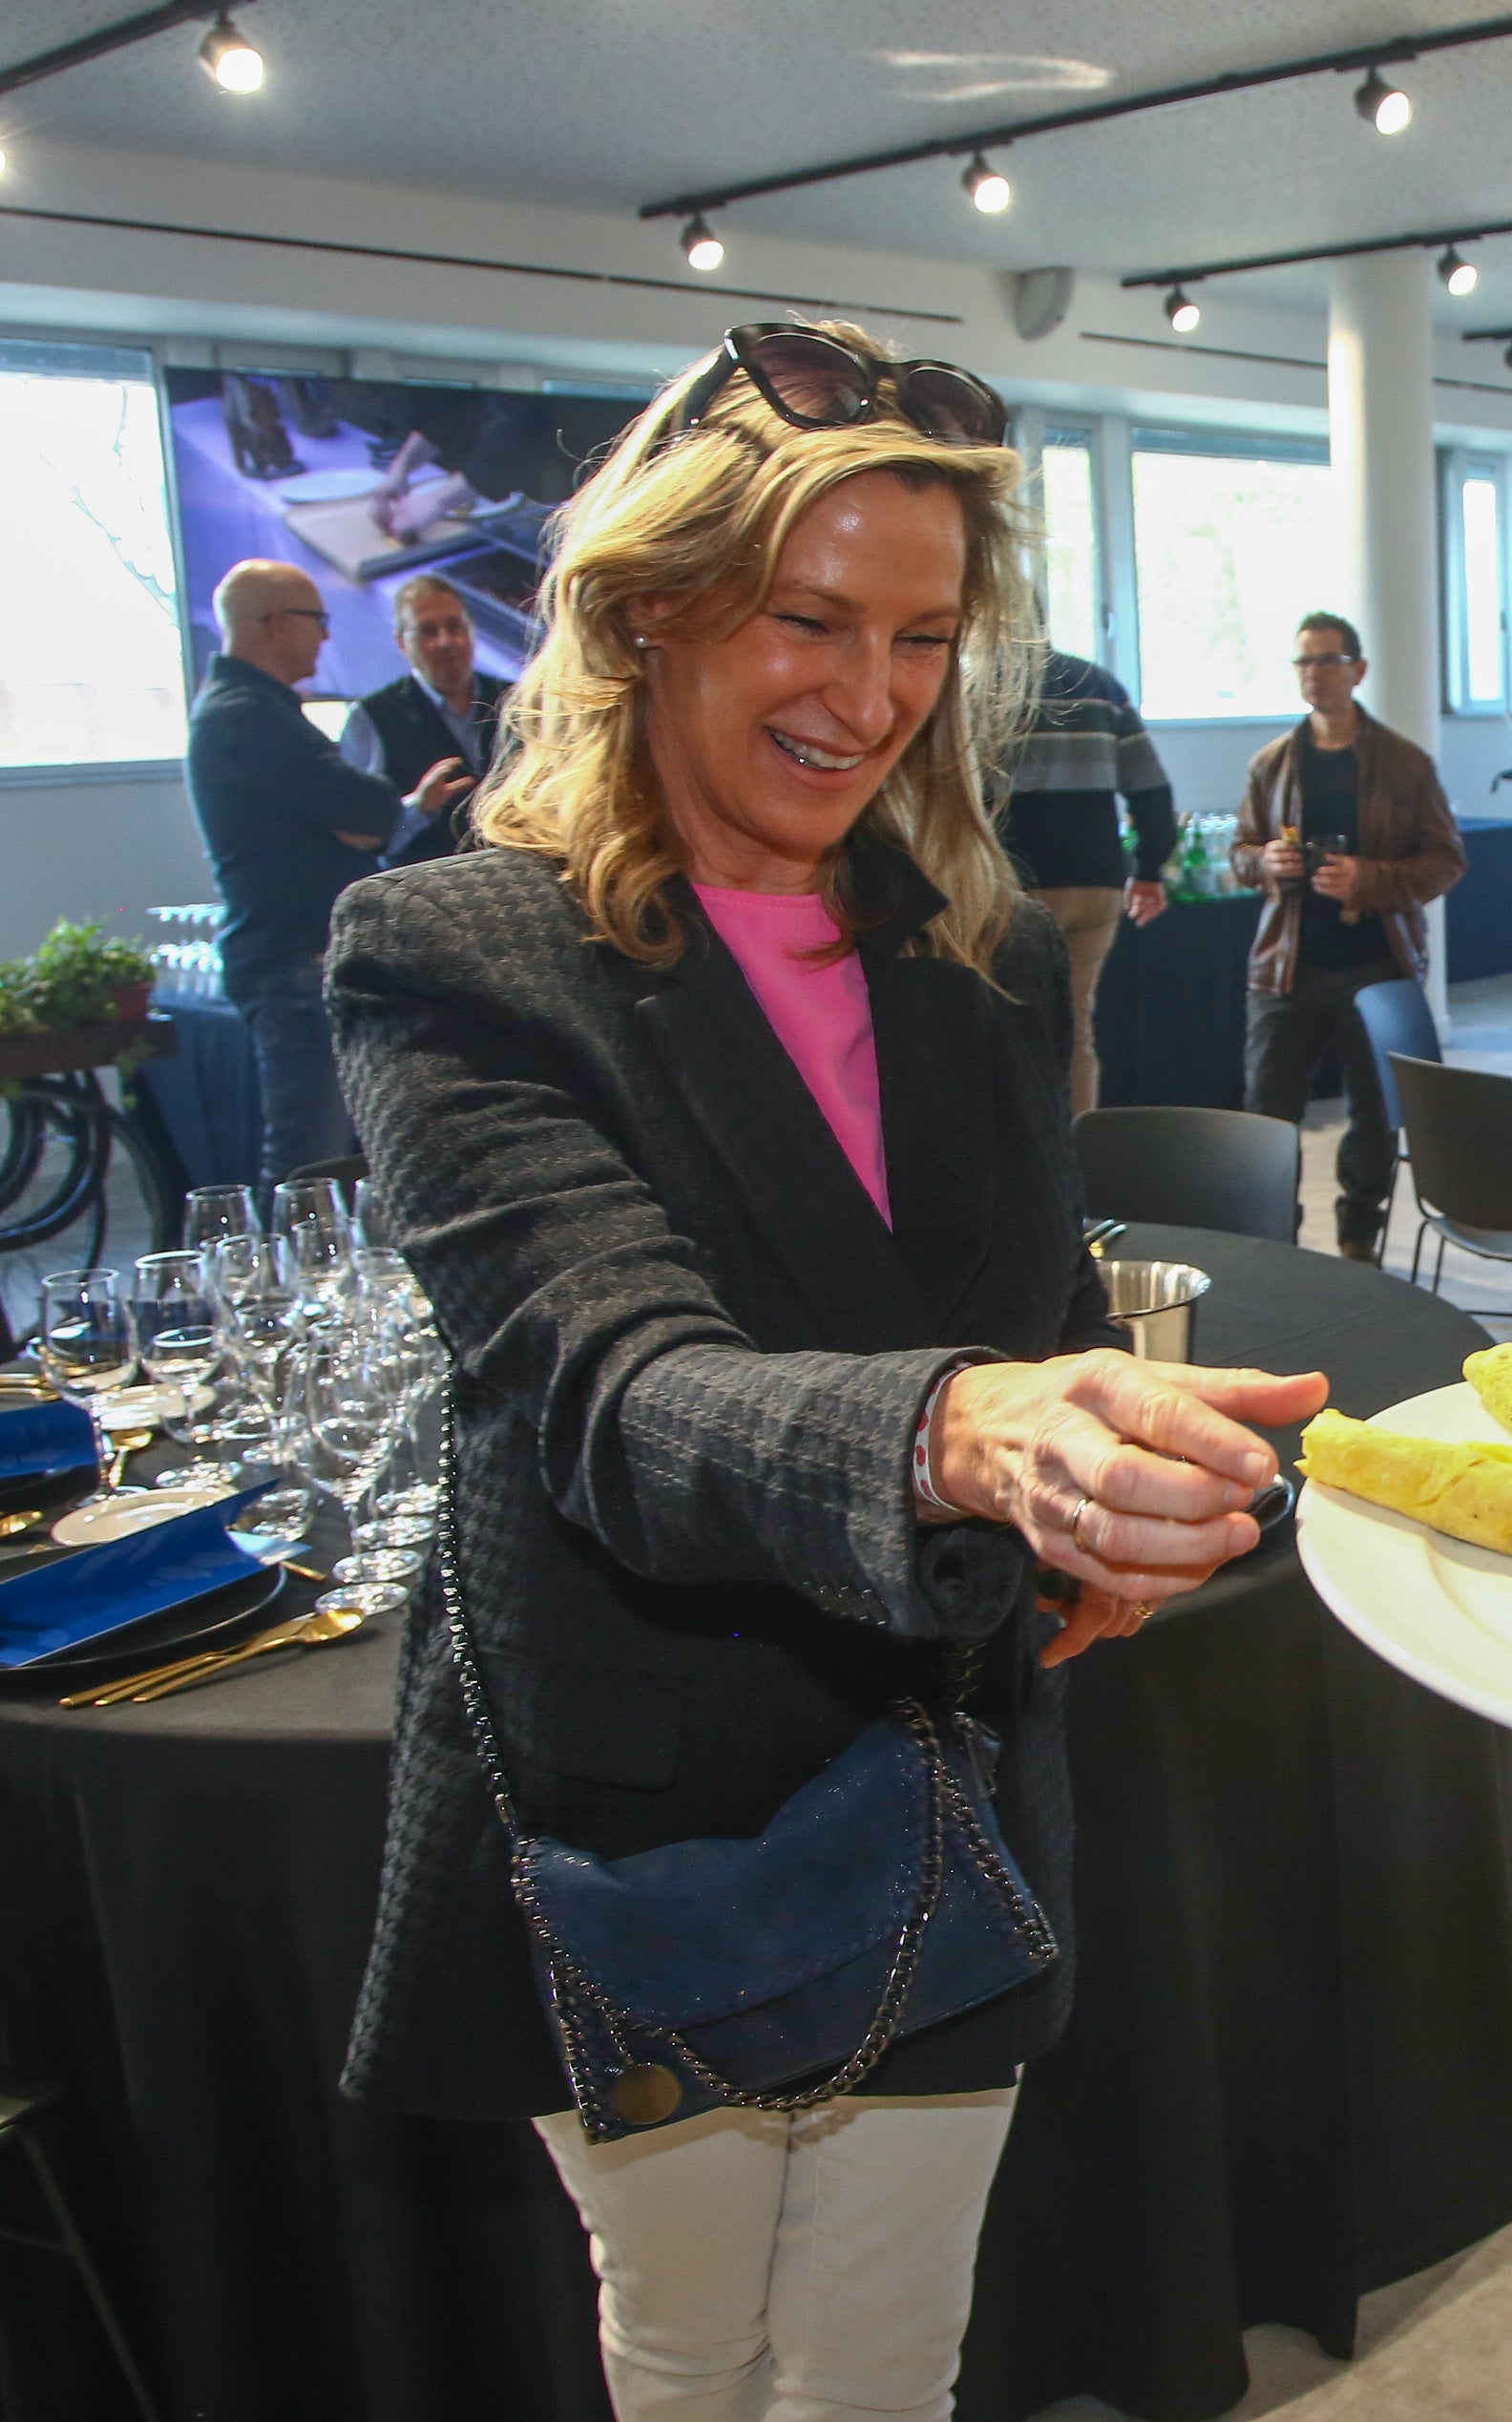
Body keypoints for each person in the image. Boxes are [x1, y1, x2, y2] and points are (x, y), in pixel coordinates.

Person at [326, 319, 1327, 2420]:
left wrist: (1122, 1496)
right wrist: (970, 1429)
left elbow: (1044, 1309)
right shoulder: (455, 951)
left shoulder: (956, 969)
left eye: (917, 638)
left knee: (884, 2351)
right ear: (651, 605)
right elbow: (610, 1382)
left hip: (947, 1761)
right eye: (806, 617)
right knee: (693, 2343)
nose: (866, 695)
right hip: (646, 1786)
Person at [186, 558, 467, 1182]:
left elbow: (365, 816)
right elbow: (368, 810)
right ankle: (296, 1276)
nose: (326, 635)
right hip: (292, 961)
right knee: (310, 1160)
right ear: (273, 623)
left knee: (331, 1149)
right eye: (317, 619)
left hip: (291, 957)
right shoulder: (249, 716)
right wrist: (380, 814)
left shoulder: (248, 709)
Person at [1231, 612, 1466, 1257]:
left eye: (1327, 661)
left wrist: (1368, 878)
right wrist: (1263, 863)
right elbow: (1240, 850)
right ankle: (1271, 1247)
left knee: (1372, 1115)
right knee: (1266, 1114)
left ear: (1357, 670)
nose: (1314, 674)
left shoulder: (1404, 763)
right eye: (1303, 661)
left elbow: (1445, 860)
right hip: (1287, 964)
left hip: (1375, 965)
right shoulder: (1271, 764)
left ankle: (1357, 1240)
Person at [998, 645, 1179, 1114]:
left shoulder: (981, 687)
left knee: (1006, 1025)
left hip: (1013, 883)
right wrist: (1149, 871)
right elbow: (1153, 790)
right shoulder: (1099, 686)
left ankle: (1022, 1162)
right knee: (1076, 1025)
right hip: (1096, 886)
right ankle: (1076, 1156)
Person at [338, 572, 510, 866]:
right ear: (401, 643)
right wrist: (417, 810)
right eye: (428, 631)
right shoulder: (373, 718)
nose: (446, 642)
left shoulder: (517, 700)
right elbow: (365, 837)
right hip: (427, 894)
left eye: (455, 627)